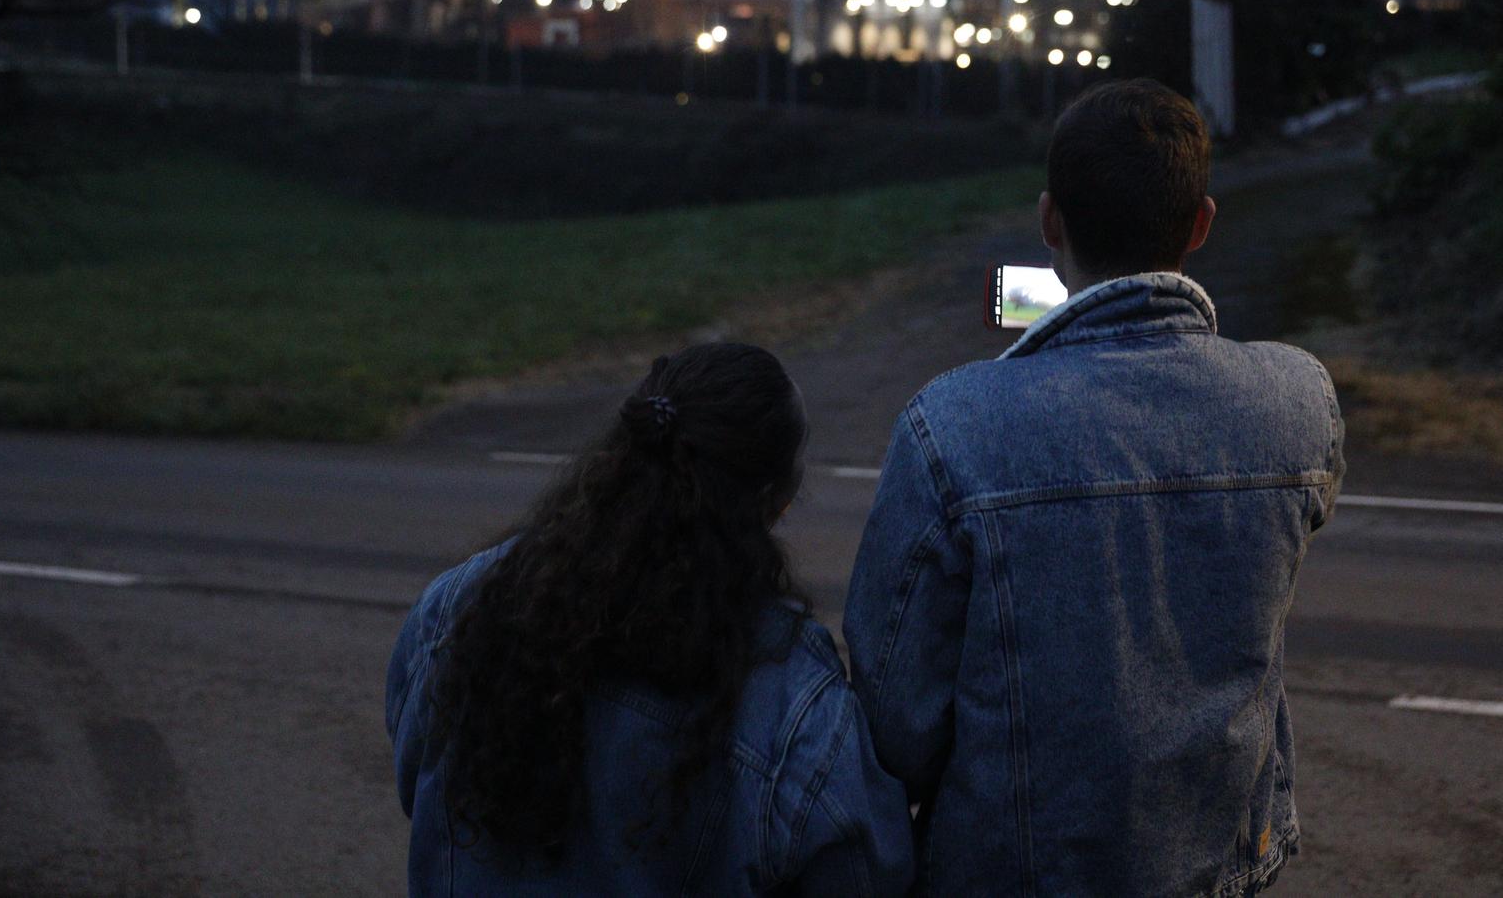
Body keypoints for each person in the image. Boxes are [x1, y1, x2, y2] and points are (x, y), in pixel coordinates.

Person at [843, 78, 1344, 896]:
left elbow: (896, 721)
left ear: (1050, 222)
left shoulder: (953, 426)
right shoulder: (1297, 400)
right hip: (1221, 866)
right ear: (1201, 223)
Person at [387, 342, 913, 895]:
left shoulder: (462, 607)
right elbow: (864, 874)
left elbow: (418, 779)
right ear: (774, 501)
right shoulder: (792, 701)